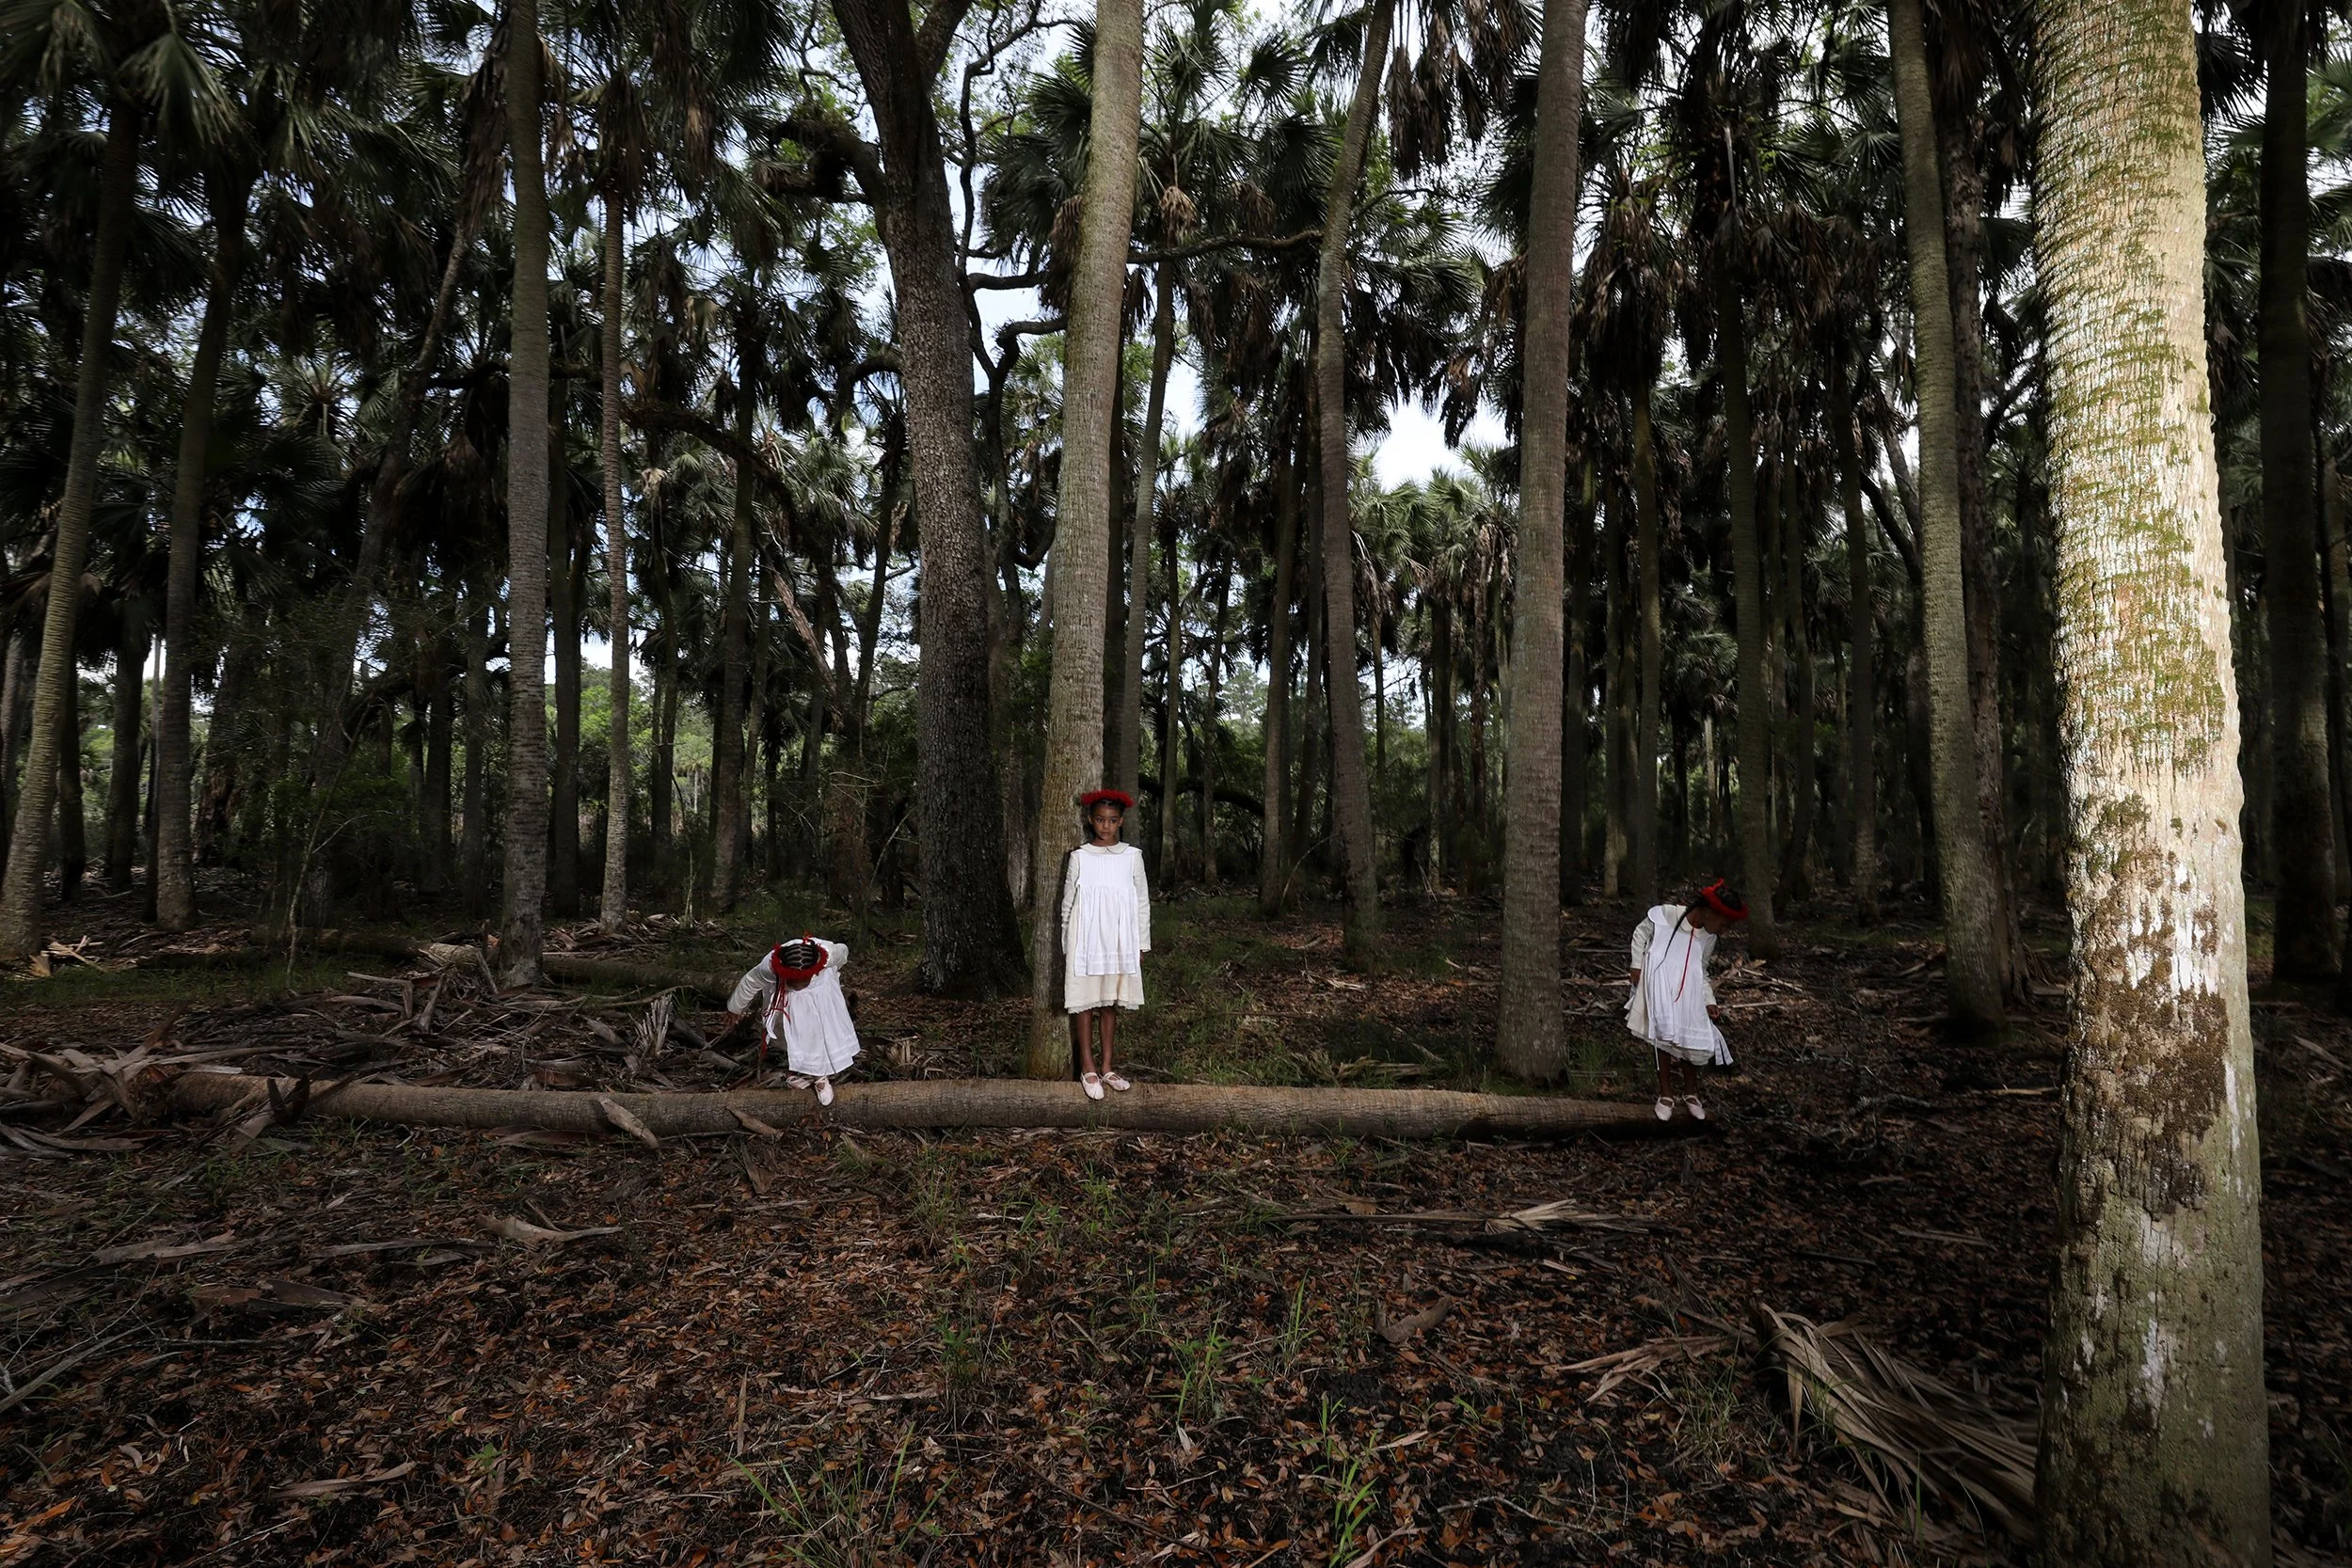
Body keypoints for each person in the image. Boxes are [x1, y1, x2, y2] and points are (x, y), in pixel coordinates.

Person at [1626, 880, 1748, 1121]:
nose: (1723, 931)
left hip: (1689, 994)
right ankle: (1666, 1095)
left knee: (1691, 1040)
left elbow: (1700, 970)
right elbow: (1641, 934)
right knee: (1662, 1039)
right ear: (1710, 911)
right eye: (1724, 924)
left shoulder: (1708, 938)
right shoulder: (1665, 915)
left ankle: (1691, 1094)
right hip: (1661, 986)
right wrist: (1636, 965)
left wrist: (1709, 999)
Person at [1061, 788, 1150, 1101]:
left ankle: (1108, 1067)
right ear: (1090, 820)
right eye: (1100, 819)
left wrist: (1141, 944)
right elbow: (1068, 905)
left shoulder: (1132, 857)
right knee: (1085, 1002)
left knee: (1109, 1003)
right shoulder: (1080, 857)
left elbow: (1142, 903)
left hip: (1118, 941)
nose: (1106, 826)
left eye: (1112, 820)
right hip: (1085, 942)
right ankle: (1088, 1066)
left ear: (1121, 821)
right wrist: (1066, 944)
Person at [723, 936, 861, 1106]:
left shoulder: (829, 954)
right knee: (791, 1035)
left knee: (818, 1033)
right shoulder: (770, 967)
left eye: (800, 982)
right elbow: (750, 982)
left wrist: (829, 975)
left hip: (819, 1000)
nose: (796, 985)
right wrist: (735, 1008)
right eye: (793, 982)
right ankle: (797, 1070)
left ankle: (820, 1076)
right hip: (788, 1003)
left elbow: (843, 953)